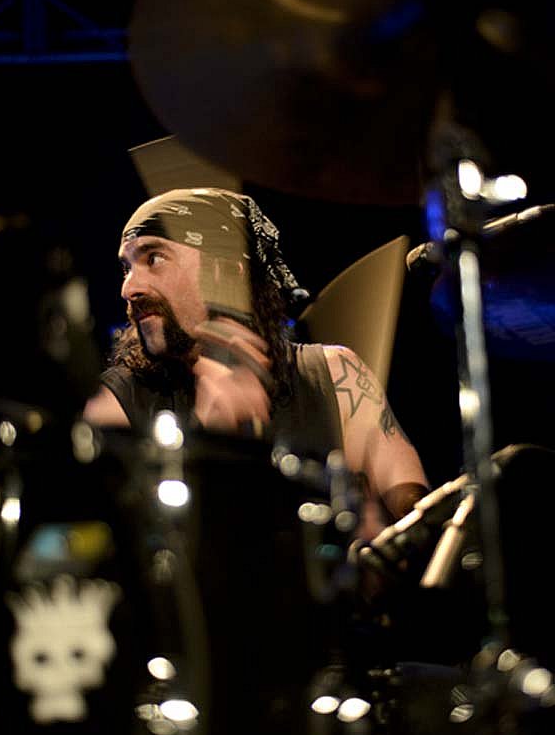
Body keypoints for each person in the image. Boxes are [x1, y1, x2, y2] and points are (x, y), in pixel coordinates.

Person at [84, 187, 429, 524]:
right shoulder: (115, 402)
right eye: (127, 267)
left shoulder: (334, 374)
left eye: (153, 258)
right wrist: (212, 443)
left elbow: (413, 513)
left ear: (226, 272)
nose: (128, 288)